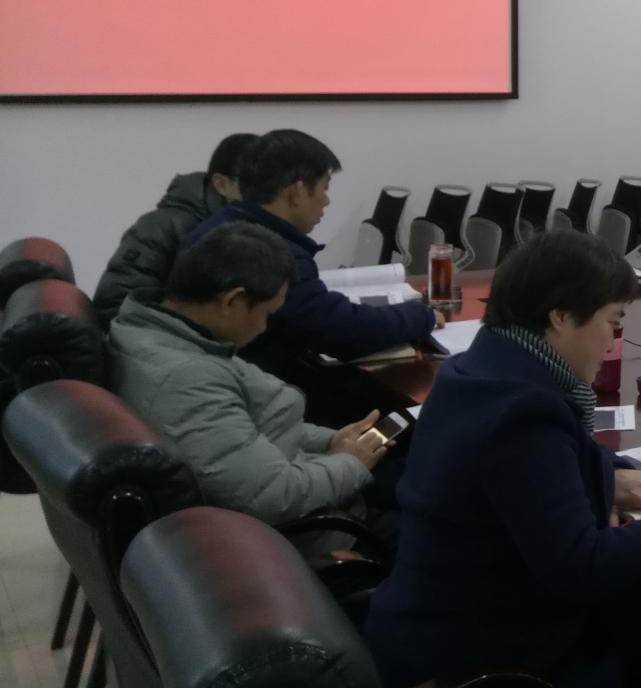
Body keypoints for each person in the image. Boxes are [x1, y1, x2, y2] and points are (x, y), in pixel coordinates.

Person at [365, 230, 641, 688]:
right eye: (611, 322)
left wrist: (609, 476)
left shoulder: (478, 369)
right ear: (560, 316)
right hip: (483, 658)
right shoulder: (525, 412)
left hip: (429, 622)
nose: (613, 341)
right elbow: (584, 568)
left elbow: (532, 471)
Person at [109, 222, 391, 549]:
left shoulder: (150, 332)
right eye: (268, 313)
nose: (264, 328)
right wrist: (351, 463)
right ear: (234, 300)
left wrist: (331, 441)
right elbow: (273, 497)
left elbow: (240, 430)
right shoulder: (188, 379)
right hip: (307, 537)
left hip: (299, 484)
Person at [186, 129, 437, 378]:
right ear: (296, 193)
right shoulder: (270, 253)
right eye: (324, 188)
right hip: (255, 386)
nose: (326, 201)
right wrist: (421, 315)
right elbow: (342, 331)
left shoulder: (216, 227)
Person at [92, 132, 258, 323]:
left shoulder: (261, 227)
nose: (267, 193)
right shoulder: (161, 227)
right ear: (221, 184)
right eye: (254, 184)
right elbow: (115, 305)